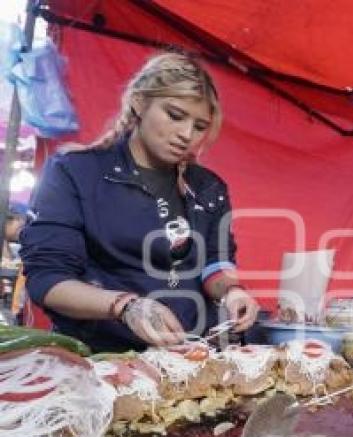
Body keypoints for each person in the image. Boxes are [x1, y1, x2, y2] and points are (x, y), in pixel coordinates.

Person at [20, 51, 259, 353]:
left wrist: (232, 292)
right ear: (139, 102)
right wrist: (125, 306)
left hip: (191, 356)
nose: (186, 135)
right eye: (175, 115)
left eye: (200, 126)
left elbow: (215, 262)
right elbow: (48, 279)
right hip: (104, 359)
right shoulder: (76, 172)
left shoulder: (208, 188)